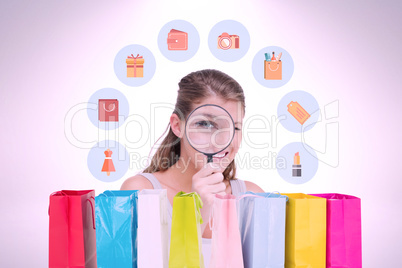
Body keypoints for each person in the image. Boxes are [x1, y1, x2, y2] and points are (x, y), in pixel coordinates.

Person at [121, 69, 264, 264]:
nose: (221, 140)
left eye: (235, 128)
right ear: (178, 126)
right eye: (205, 124)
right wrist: (197, 212)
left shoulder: (251, 197)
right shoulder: (142, 192)